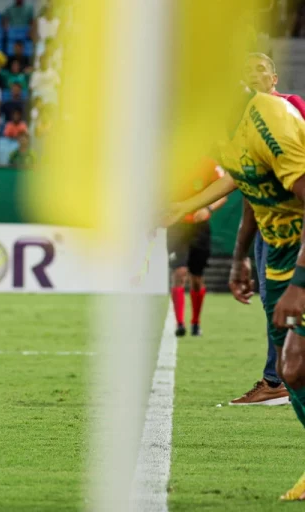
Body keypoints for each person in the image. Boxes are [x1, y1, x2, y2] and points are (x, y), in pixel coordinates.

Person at [166, 86, 305, 501]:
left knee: (295, 367)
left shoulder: (270, 121)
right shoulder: (222, 132)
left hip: (298, 260)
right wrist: (240, 257)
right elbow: (244, 183)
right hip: (277, 259)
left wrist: (299, 284)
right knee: (291, 371)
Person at [227, 53, 305, 406]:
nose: (254, 74)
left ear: (274, 79)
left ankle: (279, 379)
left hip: (295, 226)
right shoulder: (244, 124)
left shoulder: (290, 108)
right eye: (248, 69)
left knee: (289, 305)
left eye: (261, 69)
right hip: (265, 225)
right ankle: (277, 378)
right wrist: (239, 254)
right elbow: (248, 188)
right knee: (272, 306)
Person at [167, 158, 228, 338]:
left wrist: (208, 209)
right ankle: (179, 323)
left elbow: (224, 192)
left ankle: (195, 322)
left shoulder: (210, 165)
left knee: (196, 278)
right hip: (177, 226)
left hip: (199, 227)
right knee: (179, 272)